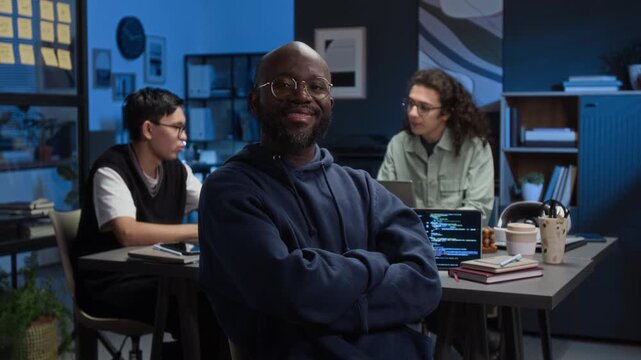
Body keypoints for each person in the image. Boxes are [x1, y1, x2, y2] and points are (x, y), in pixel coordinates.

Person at [198, 41, 442, 359]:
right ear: (255, 102)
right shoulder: (229, 190)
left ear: (330, 103)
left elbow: (424, 280)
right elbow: (290, 290)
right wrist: (376, 264)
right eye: (283, 85)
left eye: (316, 86)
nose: (302, 96)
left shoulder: (362, 188)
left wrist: (324, 306)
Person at [74, 87, 225, 358]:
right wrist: (198, 231)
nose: (185, 137)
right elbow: (127, 232)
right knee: (200, 305)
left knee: (221, 297)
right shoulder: (111, 169)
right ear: (147, 129)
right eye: (178, 128)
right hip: (111, 284)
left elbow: (214, 205)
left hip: (160, 276)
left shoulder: (177, 169)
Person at [377, 69, 494, 225]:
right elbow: (382, 203)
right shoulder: (398, 144)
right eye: (411, 103)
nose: (412, 113)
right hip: (407, 241)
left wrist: (434, 229)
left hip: (455, 242)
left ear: (445, 113)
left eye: (424, 107)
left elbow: (479, 211)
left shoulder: (475, 148)